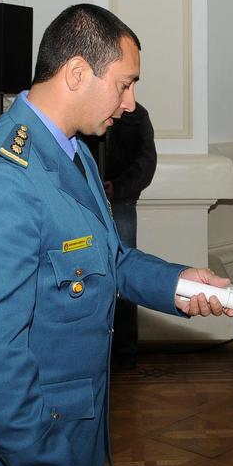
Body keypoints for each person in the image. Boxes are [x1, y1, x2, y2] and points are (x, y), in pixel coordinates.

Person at [0, 4, 233, 466]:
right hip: (17, 460)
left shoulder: (71, 152)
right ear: (77, 72)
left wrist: (177, 283)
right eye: (125, 82)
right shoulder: (0, 179)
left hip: (69, 428)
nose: (131, 102)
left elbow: (109, 257)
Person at [81, 101, 157, 369]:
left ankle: (124, 353)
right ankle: (92, 350)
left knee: (124, 275)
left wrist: (119, 187)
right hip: (84, 202)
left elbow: (146, 162)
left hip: (121, 204)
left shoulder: (137, 115)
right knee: (87, 272)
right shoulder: (85, 111)